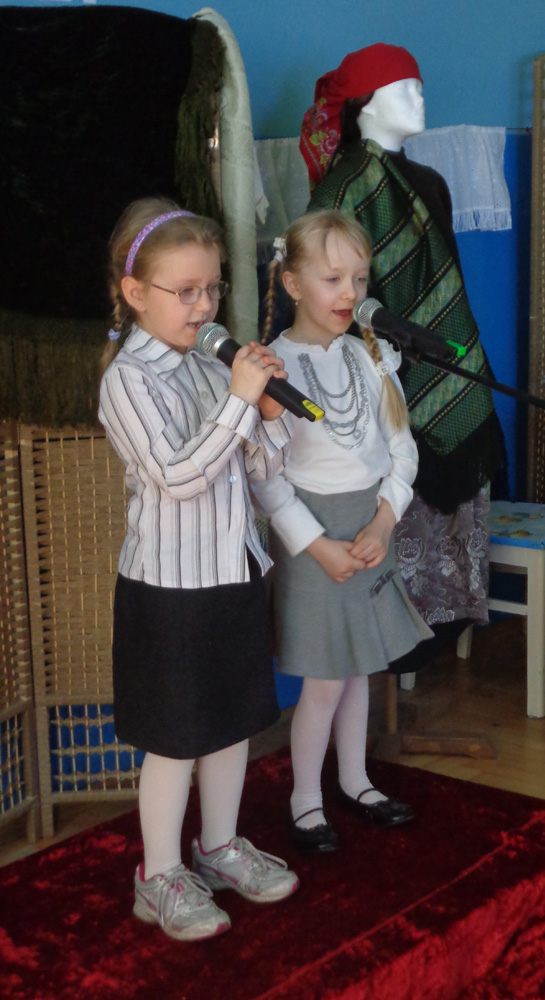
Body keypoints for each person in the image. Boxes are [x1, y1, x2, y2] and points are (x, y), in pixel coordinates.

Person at [98, 197, 299, 942]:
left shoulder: (214, 368)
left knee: (229, 721)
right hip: (168, 588)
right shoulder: (128, 380)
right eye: (184, 291)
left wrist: (268, 416)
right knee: (176, 735)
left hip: (232, 572)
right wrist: (240, 401)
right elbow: (178, 477)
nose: (204, 306)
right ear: (135, 292)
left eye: (211, 288)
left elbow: (258, 470)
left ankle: (218, 847)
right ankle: (158, 875)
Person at [300, 43, 506, 661]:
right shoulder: (341, 193)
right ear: (366, 104)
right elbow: (326, 307)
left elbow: (448, 285)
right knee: (394, 529)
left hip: (446, 370)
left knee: (450, 536)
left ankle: (436, 644)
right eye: (405, 88)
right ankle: (393, 658)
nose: (420, 98)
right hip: (378, 388)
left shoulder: (429, 183)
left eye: (419, 86)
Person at [253, 210, 433, 852]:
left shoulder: (370, 355)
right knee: (327, 677)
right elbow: (266, 478)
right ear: (293, 283)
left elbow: (401, 450)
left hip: (368, 526)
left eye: (359, 278)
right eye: (332, 279)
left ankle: (355, 781)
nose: (350, 293)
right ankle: (305, 799)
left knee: (360, 668)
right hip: (313, 536)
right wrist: (317, 544)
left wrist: (384, 521)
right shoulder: (272, 367)